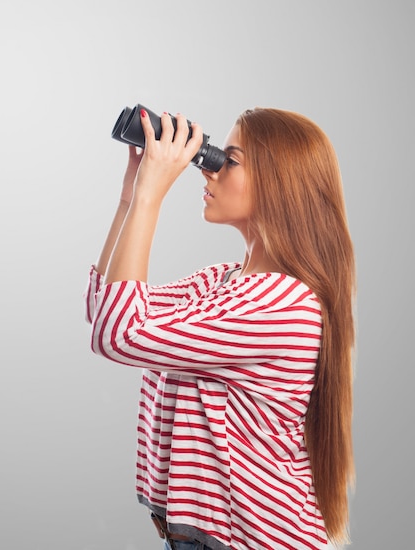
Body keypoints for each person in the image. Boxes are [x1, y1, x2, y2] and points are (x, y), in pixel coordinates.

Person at [84, 107, 355, 550]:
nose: (207, 170)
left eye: (228, 160)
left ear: (279, 182)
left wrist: (152, 197)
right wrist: (131, 200)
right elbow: (105, 313)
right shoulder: (222, 282)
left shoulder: (282, 304)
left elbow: (120, 333)